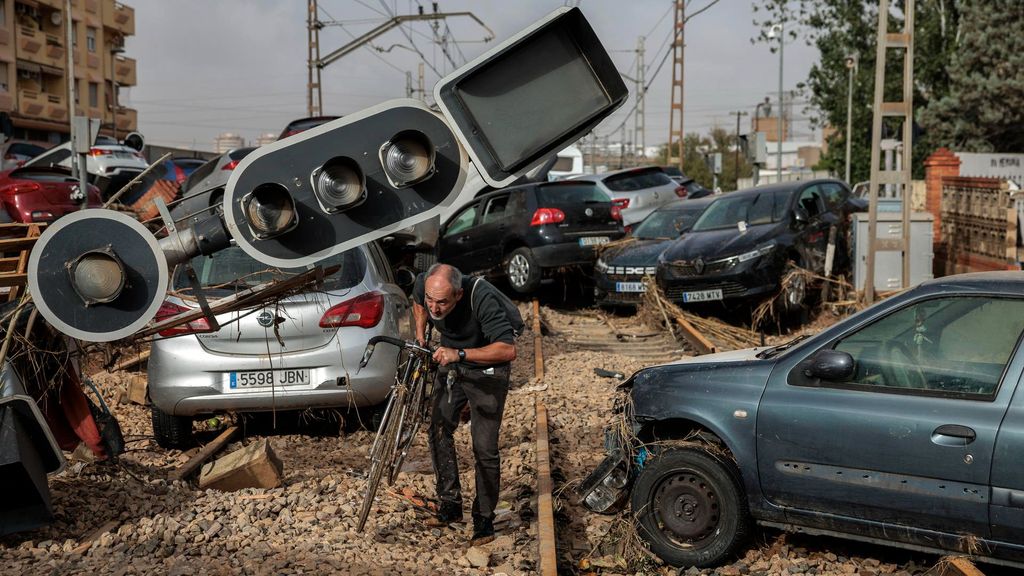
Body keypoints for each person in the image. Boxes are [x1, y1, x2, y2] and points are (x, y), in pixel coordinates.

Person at [411, 263, 517, 546]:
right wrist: (421, 335)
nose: (435, 307)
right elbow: (418, 303)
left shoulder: (480, 298)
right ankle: (450, 504)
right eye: (431, 299)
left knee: (484, 447)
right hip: (451, 360)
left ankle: (483, 517)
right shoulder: (427, 285)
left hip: (486, 366)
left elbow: (508, 349)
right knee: (437, 426)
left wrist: (460, 353)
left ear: (458, 295)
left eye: (442, 302)